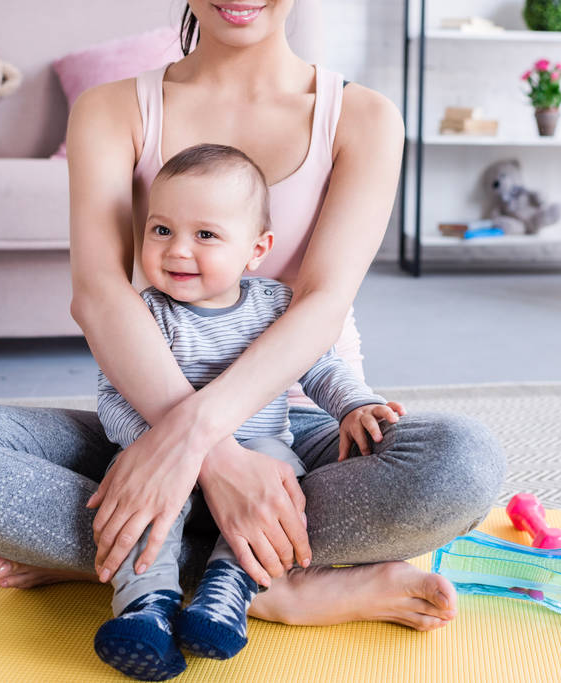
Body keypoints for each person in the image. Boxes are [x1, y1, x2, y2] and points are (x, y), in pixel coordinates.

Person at [0, 0, 506, 637]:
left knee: (462, 463)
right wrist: (213, 459)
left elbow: (321, 303)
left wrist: (200, 440)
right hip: (146, 418)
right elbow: (99, 294)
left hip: (295, 434)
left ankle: (138, 556)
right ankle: (262, 582)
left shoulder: (364, 118)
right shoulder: (112, 108)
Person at [93, 142, 405, 680]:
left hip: (259, 453)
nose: (177, 252)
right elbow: (113, 398)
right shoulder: (144, 313)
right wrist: (149, 446)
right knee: (139, 504)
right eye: (161, 230)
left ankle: (226, 591)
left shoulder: (275, 304)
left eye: (205, 235)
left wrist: (356, 404)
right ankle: (146, 607)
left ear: (256, 249)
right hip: (161, 451)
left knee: (284, 486)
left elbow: (322, 368)